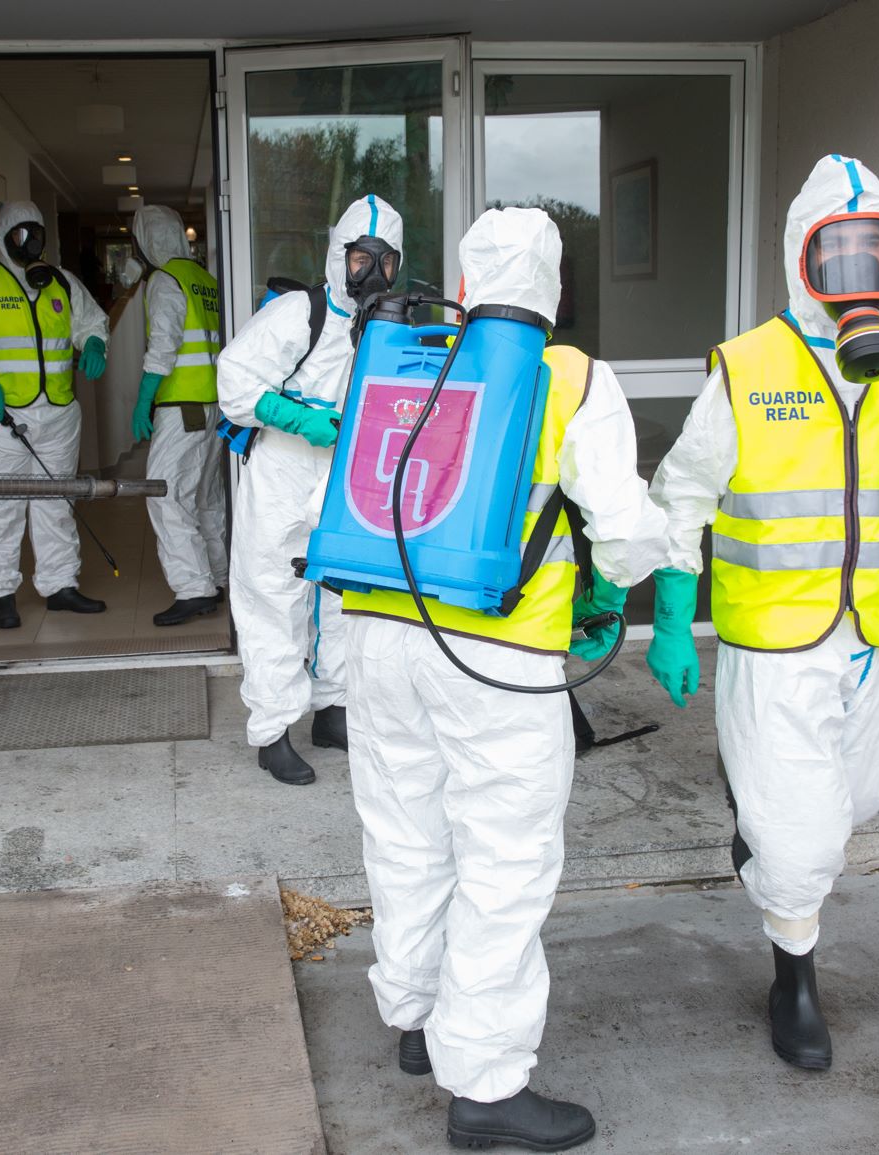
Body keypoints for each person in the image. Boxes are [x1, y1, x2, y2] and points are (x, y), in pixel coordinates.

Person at [647, 154, 879, 1070]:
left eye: (873, 256)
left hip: (869, 638)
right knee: (801, 837)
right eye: (833, 256)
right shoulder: (748, 368)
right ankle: (795, 979)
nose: (857, 281)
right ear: (798, 262)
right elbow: (682, 495)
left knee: (853, 803)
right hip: (771, 641)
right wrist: (670, 612)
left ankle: (768, 846)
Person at [342, 208, 671, 1151]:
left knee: (404, 831)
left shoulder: (408, 351)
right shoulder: (569, 376)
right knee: (503, 861)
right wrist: (616, 586)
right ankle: (484, 1085)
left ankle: (414, 1018)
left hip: (379, 634)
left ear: (465, 278)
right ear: (554, 290)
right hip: (497, 653)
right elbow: (622, 524)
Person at [216, 194, 402, 786]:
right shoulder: (301, 312)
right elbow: (234, 382)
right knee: (273, 596)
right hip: (283, 472)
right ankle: (274, 731)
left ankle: (332, 708)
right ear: (336, 256)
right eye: (359, 258)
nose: (370, 273)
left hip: (344, 475)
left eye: (384, 261)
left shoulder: (388, 325)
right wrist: (301, 420)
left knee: (336, 595)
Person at [0, 200, 110, 630]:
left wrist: (95, 343)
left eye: (36, 233)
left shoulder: (61, 285)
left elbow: (92, 323)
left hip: (59, 415)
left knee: (57, 502)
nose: (29, 242)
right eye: (20, 234)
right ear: (2, 237)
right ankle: (1, 592)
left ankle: (60, 585)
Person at [129, 205, 227, 626]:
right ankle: (218, 577)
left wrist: (143, 398)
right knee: (206, 498)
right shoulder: (206, 281)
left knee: (166, 495)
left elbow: (164, 346)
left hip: (181, 406)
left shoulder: (164, 280)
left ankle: (194, 589)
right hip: (214, 406)